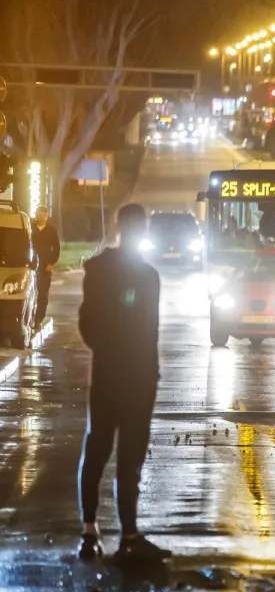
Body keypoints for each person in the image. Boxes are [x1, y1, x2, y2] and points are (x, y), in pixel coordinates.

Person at [77, 204, 171, 562]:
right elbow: (149, 332)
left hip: (108, 375)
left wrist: (107, 350)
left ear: (118, 227)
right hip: (137, 377)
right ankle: (128, 535)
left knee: (97, 450)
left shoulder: (98, 270)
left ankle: (90, 532)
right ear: (143, 230)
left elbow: (87, 324)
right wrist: (148, 371)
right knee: (129, 457)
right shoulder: (147, 276)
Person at [31, 206, 60, 327]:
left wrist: (51, 263)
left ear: (47, 216)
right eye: (40, 215)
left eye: (44, 215)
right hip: (31, 265)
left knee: (43, 294)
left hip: (45, 266)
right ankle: (29, 317)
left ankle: (38, 318)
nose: (42, 218)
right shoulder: (30, 228)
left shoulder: (51, 231)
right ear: (36, 214)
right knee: (30, 293)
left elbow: (56, 249)